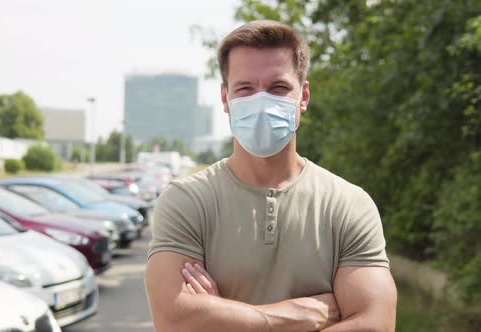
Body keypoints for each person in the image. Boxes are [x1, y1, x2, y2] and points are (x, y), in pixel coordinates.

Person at [145, 20, 397, 331]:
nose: (261, 102)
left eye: (278, 88)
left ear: (302, 97)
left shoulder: (348, 204)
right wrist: (299, 315)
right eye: (246, 88)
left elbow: (377, 324)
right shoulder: (187, 200)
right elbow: (173, 320)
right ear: (225, 98)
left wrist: (223, 314)